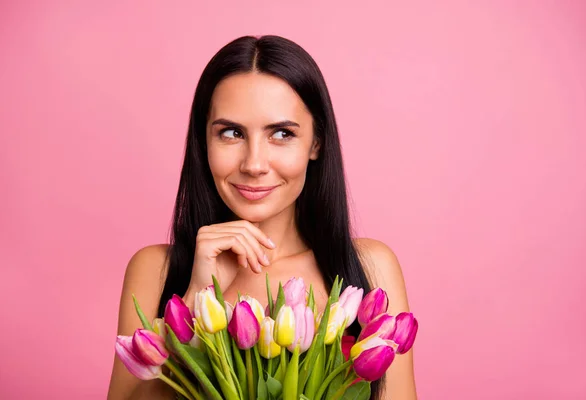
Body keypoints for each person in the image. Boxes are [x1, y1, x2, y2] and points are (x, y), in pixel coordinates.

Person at [107, 35, 416, 400]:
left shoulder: (370, 267)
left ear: (316, 143)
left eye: (282, 134)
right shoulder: (154, 269)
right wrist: (194, 302)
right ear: (204, 141)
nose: (254, 165)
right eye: (231, 133)